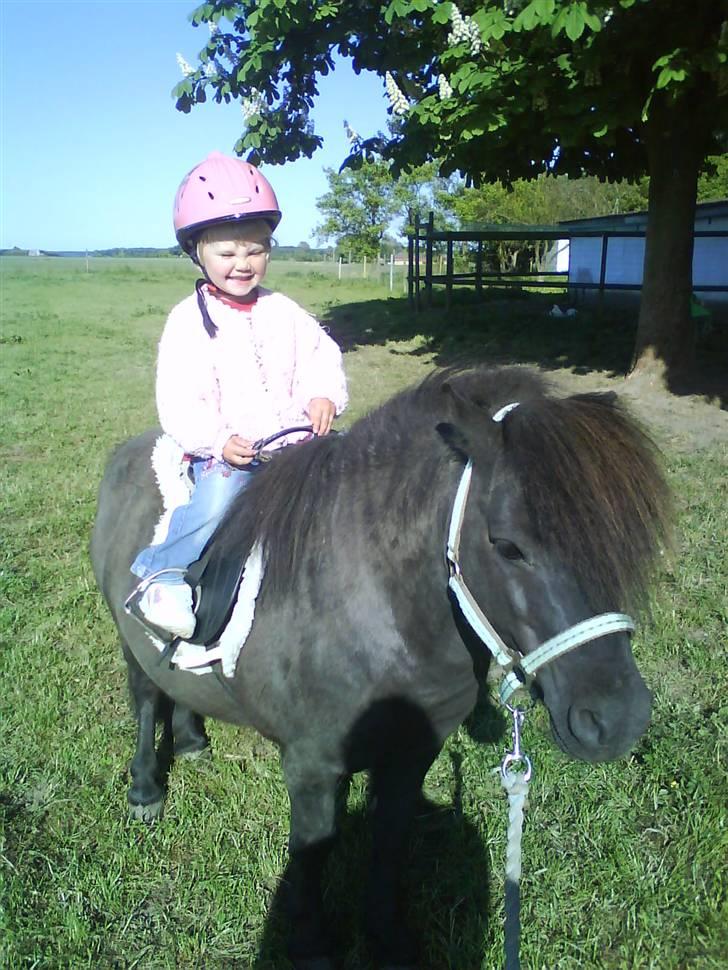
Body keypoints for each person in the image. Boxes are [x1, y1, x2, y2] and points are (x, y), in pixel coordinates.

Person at [131, 152, 348, 638]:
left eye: (255, 250)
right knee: (216, 505)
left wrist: (322, 394)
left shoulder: (284, 310)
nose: (243, 264)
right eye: (227, 254)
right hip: (230, 457)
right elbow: (179, 399)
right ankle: (162, 573)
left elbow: (321, 354)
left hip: (295, 446)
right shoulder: (187, 322)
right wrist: (219, 439)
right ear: (198, 253)